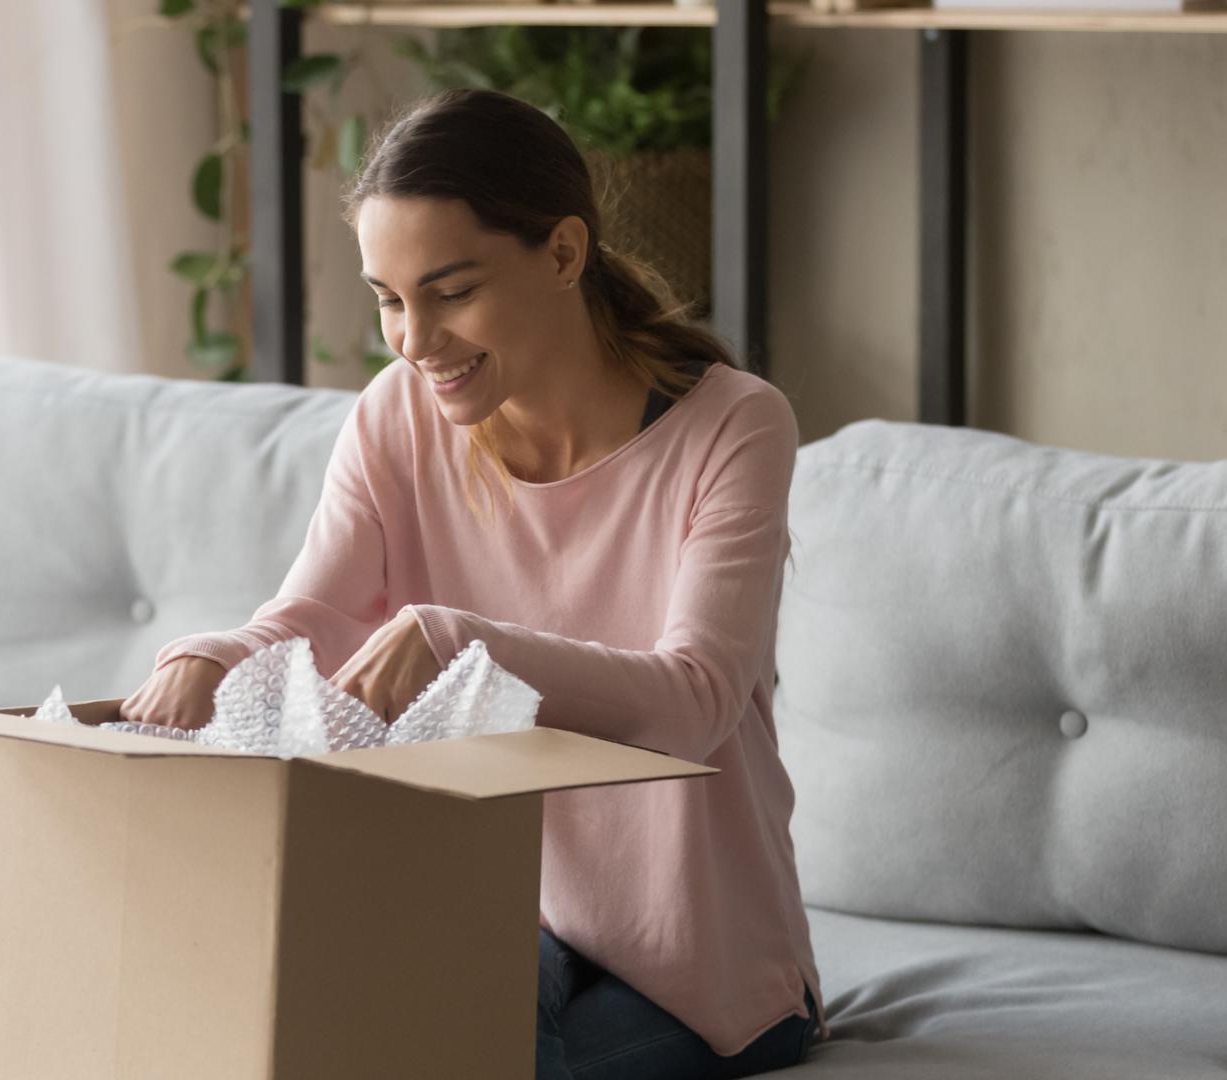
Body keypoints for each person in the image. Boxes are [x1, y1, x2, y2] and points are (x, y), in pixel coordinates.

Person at [121, 86, 824, 1079]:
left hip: (703, 962)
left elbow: (696, 700)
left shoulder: (734, 427)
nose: (413, 339)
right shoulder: (396, 415)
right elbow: (313, 614)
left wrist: (461, 642)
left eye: (450, 292)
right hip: (508, 909)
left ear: (565, 254)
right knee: (341, 1028)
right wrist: (210, 657)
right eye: (388, 301)